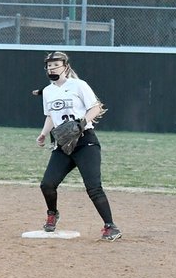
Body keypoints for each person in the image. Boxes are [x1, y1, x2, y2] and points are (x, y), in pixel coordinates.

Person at [35, 51, 122, 241]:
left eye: (55, 65)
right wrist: (43, 134)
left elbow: (96, 107)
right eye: (49, 66)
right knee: (47, 184)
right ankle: (52, 214)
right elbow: (50, 116)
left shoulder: (78, 85)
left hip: (85, 142)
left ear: (65, 66)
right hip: (64, 144)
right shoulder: (48, 91)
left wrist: (81, 124)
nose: (51, 68)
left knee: (93, 187)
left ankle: (111, 226)